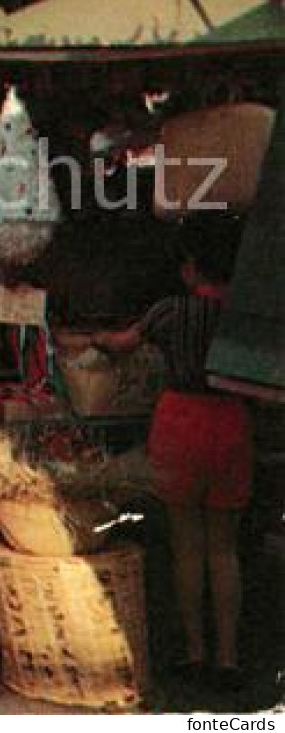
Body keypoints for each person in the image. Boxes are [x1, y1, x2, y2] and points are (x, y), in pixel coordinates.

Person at [92, 223, 248, 692]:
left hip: (180, 422)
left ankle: (194, 653)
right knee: (224, 548)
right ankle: (229, 660)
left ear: (190, 267)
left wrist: (94, 336)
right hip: (231, 422)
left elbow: (121, 345)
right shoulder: (243, 316)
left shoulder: (170, 310)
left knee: (186, 545)